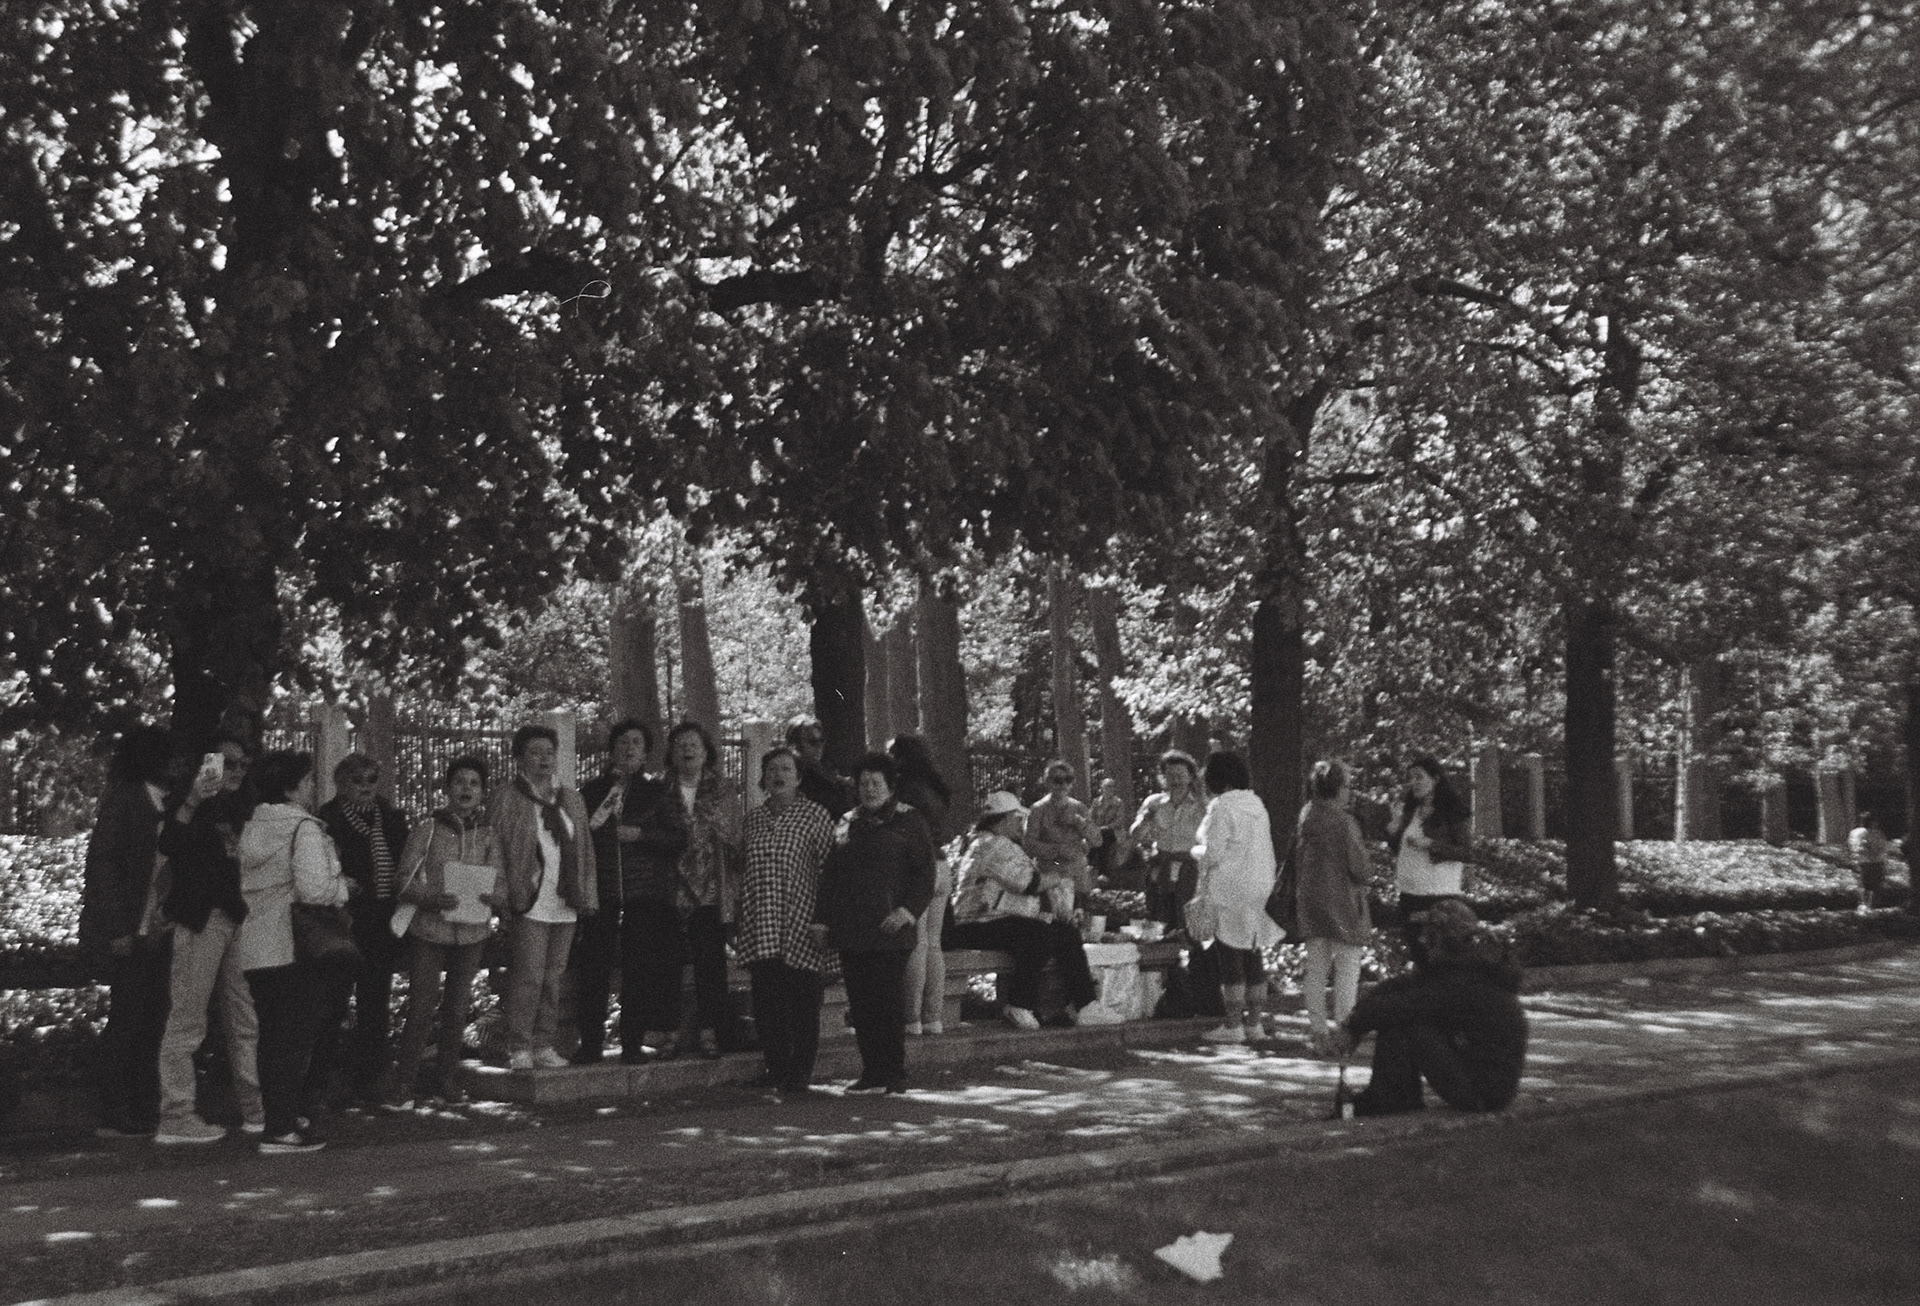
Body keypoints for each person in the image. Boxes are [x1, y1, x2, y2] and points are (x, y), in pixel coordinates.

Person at [236, 751, 354, 1154]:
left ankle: (277, 1117)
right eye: (306, 781)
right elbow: (314, 889)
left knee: (271, 1038)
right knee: (293, 1039)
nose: (312, 787)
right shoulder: (302, 828)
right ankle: (282, 1129)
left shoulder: (254, 826)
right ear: (290, 788)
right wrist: (342, 888)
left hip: (256, 945)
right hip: (294, 947)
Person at [153, 735, 265, 1143]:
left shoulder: (241, 808)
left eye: (242, 764)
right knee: (187, 1019)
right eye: (226, 763)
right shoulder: (188, 805)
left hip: (235, 917)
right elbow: (169, 843)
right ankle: (176, 1115)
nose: (235, 771)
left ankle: (256, 1109)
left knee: (244, 1018)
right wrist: (193, 800)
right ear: (205, 764)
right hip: (201, 919)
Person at [1328, 897, 1527, 1116]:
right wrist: (1353, 1024)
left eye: (1429, 934)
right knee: (1404, 1014)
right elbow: (1398, 988)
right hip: (1484, 1083)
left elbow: (1401, 1006)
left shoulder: (1462, 980)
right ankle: (1396, 1097)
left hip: (1482, 1092)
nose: (1422, 940)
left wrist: (1354, 1026)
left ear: (1443, 939)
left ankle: (1389, 1099)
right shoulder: (1463, 967)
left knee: (1405, 1021)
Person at [812, 752, 936, 1094]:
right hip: (853, 930)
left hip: (890, 930)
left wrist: (907, 911)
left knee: (887, 1002)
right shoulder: (846, 822)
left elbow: (925, 874)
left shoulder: (909, 820)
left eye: (875, 783)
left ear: (890, 786)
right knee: (861, 1003)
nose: (868, 789)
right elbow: (832, 875)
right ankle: (871, 1072)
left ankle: (893, 1072)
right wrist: (821, 920)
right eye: (863, 783)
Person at [385, 756, 505, 1108]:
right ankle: (404, 1084)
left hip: (472, 934)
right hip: (429, 931)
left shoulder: (489, 835)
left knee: (456, 1010)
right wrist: (431, 899)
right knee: (421, 1008)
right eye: (459, 782)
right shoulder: (427, 830)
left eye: (474, 783)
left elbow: (502, 885)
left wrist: (493, 896)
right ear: (447, 788)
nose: (466, 788)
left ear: (482, 792)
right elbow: (402, 881)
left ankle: (446, 1081)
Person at [948, 791, 1123, 1031]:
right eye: (1017, 819)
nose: (1020, 825)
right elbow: (1029, 883)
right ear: (1003, 819)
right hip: (974, 924)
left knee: (1065, 933)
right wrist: (1060, 875)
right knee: (1037, 933)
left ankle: (1085, 1005)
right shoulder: (996, 844)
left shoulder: (987, 841)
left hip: (986, 921)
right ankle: (1019, 1005)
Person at [79, 725, 177, 1139]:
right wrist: (118, 928)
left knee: (150, 1018)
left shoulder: (161, 802)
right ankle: (115, 1108)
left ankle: (138, 1104)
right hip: (133, 930)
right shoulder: (127, 801)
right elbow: (104, 868)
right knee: (128, 1019)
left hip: (153, 929)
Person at [626, 721, 743, 1060]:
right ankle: (668, 1033)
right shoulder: (659, 788)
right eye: (680, 745)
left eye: (694, 744)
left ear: (706, 752)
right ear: (671, 754)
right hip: (667, 886)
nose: (687, 749)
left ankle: (711, 1032)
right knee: (667, 962)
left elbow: (736, 837)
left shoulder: (723, 790)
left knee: (710, 961)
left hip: (709, 888)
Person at [490, 724, 597, 1072]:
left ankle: (544, 1043)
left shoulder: (571, 799)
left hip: (565, 900)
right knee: (529, 976)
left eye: (549, 753)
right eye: (535, 753)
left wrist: (587, 893)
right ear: (519, 759)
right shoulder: (507, 797)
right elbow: (496, 848)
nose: (544, 759)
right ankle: (519, 1045)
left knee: (553, 977)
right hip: (529, 898)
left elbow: (585, 849)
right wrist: (501, 893)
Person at [739, 747, 836, 1098]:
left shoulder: (815, 815)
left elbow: (830, 871)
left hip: (802, 921)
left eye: (786, 769)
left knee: (802, 1002)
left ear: (798, 777)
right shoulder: (753, 819)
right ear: (763, 778)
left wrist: (824, 919)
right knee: (767, 1002)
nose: (778, 775)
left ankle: (799, 1073)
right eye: (772, 770)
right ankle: (776, 1068)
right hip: (761, 920)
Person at [317, 753, 412, 1104]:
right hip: (346, 920)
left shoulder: (390, 817)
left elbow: (406, 860)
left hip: (382, 921)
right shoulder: (328, 819)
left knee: (375, 1002)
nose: (366, 787)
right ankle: (325, 1080)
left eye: (372, 779)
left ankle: (371, 1079)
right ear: (340, 784)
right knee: (334, 1001)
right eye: (357, 780)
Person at [573, 720, 665, 1063]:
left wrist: (641, 835)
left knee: (638, 971)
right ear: (612, 750)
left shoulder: (658, 792)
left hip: (642, 895)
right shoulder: (592, 791)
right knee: (593, 969)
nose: (629, 748)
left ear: (645, 753)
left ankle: (631, 1043)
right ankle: (591, 1043)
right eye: (623, 742)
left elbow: (676, 837)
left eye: (637, 743)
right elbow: (580, 839)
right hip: (602, 893)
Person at [1190, 751, 1283, 1045]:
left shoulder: (1222, 807)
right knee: (1253, 953)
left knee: (1230, 954)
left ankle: (1233, 1025)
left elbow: (1214, 853)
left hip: (1229, 887)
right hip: (1260, 885)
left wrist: (1195, 851)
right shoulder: (1257, 805)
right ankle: (1254, 1023)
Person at [1295, 760, 1373, 1056]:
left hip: (1312, 902)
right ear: (1338, 789)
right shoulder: (1344, 822)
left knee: (1316, 969)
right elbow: (1360, 868)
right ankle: (1344, 1032)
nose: (1349, 792)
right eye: (1348, 786)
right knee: (1347, 969)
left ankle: (1318, 1032)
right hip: (1344, 904)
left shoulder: (1307, 816)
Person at [890, 734, 956, 1037]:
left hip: (917, 867)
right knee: (933, 943)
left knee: (916, 941)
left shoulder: (904, 788)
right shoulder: (936, 787)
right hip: (942, 864)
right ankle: (933, 1017)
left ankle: (911, 1018)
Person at [1387, 755, 1473, 964]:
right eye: (1410, 778)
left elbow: (1467, 852)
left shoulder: (1451, 812)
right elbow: (1399, 849)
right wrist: (1394, 828)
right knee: (1418, 956)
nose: (1413, 783)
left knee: (1440, 959)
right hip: (1409, 895)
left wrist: (1431, 844)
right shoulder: (1410, 812)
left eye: (1419, 777)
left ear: (1435, 779)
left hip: (1439, 896)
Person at [1131, 751, 1207, 930]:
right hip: (1161, 867)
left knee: (1188, 921)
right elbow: (1135, 835)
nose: (1175, 780)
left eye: (1180, 775)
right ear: (1163, 777)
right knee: (1159, 919)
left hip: (1191, 869)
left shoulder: (1202, 805)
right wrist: (1146, 820)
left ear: (1191, 777)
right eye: (1170, 775)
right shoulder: (1153, 803)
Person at [1025, 760, 1095, 899]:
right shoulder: (1037, 810)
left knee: (1082, 910)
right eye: (1058, 780)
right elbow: (1028, 845)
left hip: (1078, 875)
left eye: (1068, 780)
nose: (1064, 785)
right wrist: (1058, 850)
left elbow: (1097, 840)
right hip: (1050, 875)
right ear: (1047, 782)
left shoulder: (1080, 808)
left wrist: (1083, 827)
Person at [786, 714, 853, 816]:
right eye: (812, 741)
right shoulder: (794, 779)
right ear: (795, 745)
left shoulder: (825, 770)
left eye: (821, 740)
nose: (819, 746)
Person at [1089, 775, 1130, 886]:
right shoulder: (1096, 802)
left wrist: (1104, 828)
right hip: (1098, 832)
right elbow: (1090, 818)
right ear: (1102, 788)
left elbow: (1119, 821)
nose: (1110, 789)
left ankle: (1103, 873)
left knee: (1104, 836)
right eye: (1107, 786)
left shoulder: (1118, 803)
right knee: (1098, 837)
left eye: (1112, 786)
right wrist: (1094, 827)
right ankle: (1093, 869)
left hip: (1114, 832)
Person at [1848, 811, 1890, 911]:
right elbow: (1859, 846)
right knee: (1869, 885)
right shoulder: (1861, 833)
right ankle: (1867, 905)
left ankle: (1869, 906)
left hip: (1873, 861)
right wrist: (1872, 851)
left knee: (1871, 885)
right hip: (1868, 862)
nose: (1876, 823)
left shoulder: (1877, 833)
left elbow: (1884, 846)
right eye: (1874, 821)